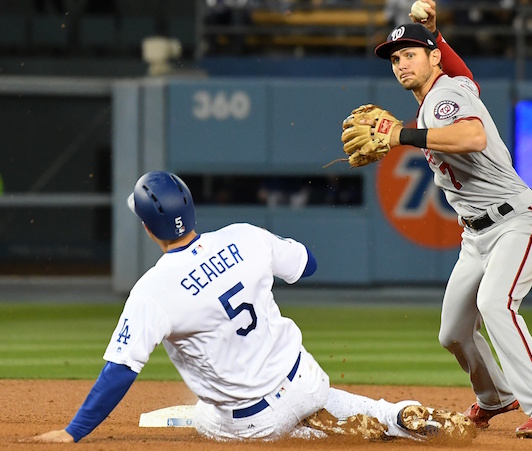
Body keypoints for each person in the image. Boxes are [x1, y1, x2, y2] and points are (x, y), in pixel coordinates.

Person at [30, 171, 474, 443]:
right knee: (326, 401)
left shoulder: (152, 290)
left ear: (148, 227)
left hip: (253, 420)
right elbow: (308, 265)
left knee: (204, 417)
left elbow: (121, 370)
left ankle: (312, 430)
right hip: (306, 375)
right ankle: (392, 415)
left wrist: (74, 432)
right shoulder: (244, 235)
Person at [359, 0, 532, 439]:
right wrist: (434, 34)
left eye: (410, 54)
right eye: (395, 59)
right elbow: (466, 78)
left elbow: (473, 135)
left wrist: (402, 135)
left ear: (432, 59)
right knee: (453, 331)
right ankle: (495, 396)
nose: (401, 64)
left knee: (496, 304)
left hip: (518, 221)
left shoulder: (443, 97)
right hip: (477, 236)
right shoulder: (448, 90)